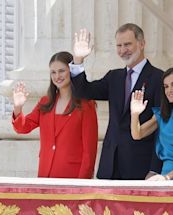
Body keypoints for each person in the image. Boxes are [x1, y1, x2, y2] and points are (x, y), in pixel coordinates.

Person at [70, 23, 163, 179]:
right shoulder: (114, 77)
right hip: (110, 164)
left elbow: (161, 126)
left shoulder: (158, 78)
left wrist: (155, 168)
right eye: (119, 45)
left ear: (142, 44)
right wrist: (78, 60)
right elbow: (83, 91)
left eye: (127, 44)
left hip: (141, 166)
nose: (122, 50)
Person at [12, 51, 98, 179]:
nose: (57, 76)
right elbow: (22, 128)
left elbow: (89, 152)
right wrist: (18, 107)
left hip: (72, 179)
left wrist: (82, 185)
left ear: (71, 71)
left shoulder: (86, 105)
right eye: (53, 72)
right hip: (45, 176)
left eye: (62, 71)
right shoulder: (45, 102)